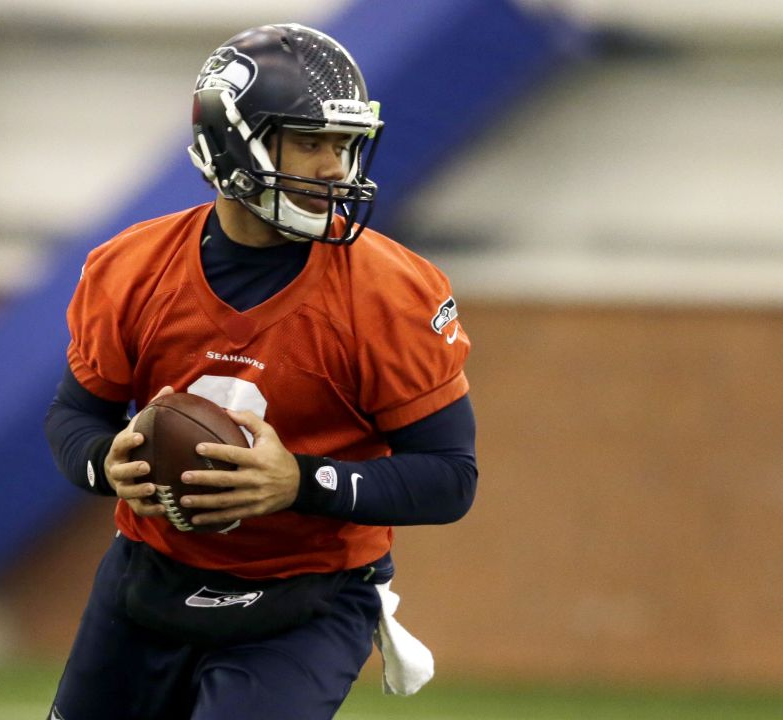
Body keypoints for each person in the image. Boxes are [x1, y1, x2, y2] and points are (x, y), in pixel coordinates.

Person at [43, 23, 477, 720]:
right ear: (230, 141)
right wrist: (104, 464)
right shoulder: (132, 268)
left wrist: (299, 481)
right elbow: (75, 417)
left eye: (343, 144)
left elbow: (450, 477)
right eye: (311, 140)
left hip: (308, 597)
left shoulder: (391, 291)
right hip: (148, 577)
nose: (336, 168)